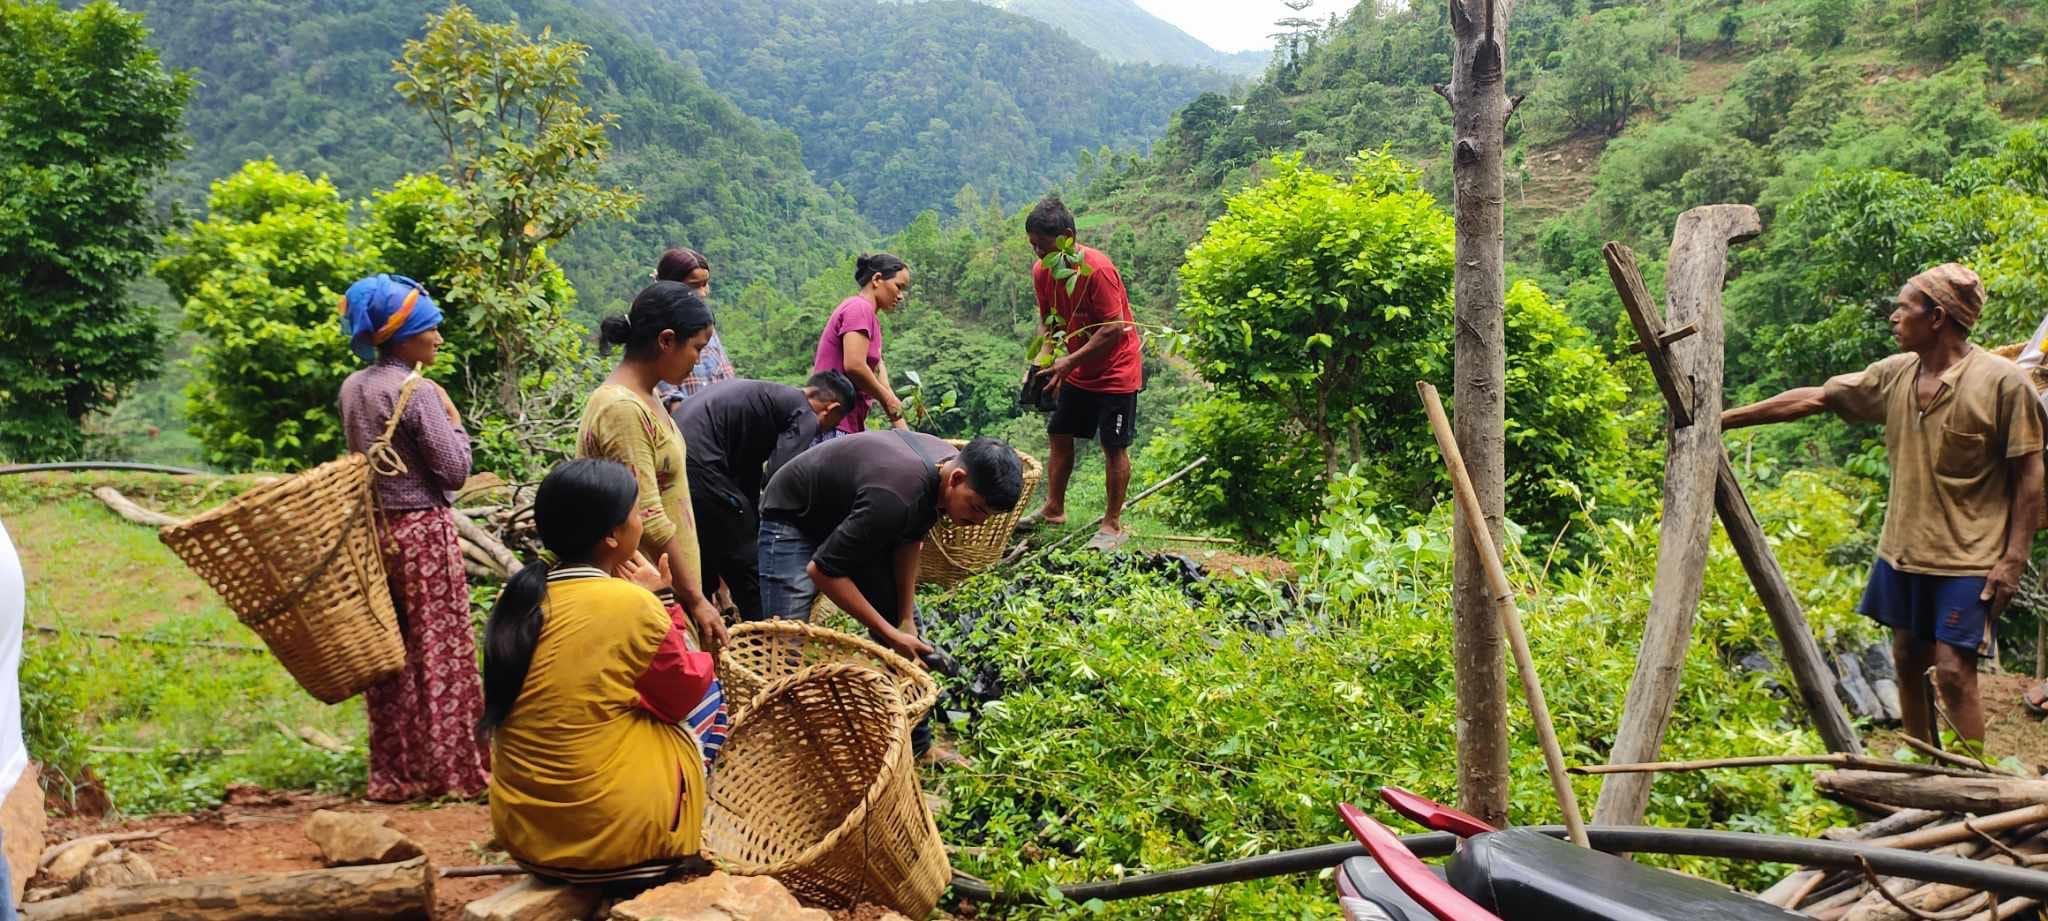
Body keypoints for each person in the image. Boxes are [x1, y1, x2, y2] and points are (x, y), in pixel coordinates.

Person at [1723, 263, 2043, 752]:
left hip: (1970, 560)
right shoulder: (1896, 375)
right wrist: (1723, 420)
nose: (1894, 316)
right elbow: (1817, 398)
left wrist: (2013, 560)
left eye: (1903, 307)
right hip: (1903, 551)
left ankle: (1971, 784)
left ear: (1936, 317)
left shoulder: (2001, 384)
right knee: (1906, 659)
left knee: (1955, 674)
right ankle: (1918, 769)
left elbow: (2029, 476)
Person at [481, 459, 717, 882]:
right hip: (621, 846)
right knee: (711, 692)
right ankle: (694, 829)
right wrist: (664, 604)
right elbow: (685, 689)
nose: (641, 519)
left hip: (528, 841)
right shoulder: (633, 604)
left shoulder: (517, 600)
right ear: (612, 535)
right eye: (635, 511)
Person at [757, 432, 1023, 759]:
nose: (977, 523)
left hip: (855, 512)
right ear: (957, 478)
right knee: (785, 640)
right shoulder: (897, 495)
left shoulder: (940, 475)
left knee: (913, 640)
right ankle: (781, 746)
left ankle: (920, 746)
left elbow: (910, 541)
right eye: (976, 508)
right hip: (796, 514)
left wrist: (905, 618)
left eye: (987, 517)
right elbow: (822, 571)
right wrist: (888, 632)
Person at [337, 274, 491, 802]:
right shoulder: (417, 391)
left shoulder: (354, 388)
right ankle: (453, 771)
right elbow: (453, 472)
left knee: (391, 657)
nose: (439, 339)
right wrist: (454, 420)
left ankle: (397, 773)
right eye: (431, 330)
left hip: (375, 531)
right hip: (423, 530)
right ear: (403, 337)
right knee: (441, 652)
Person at [578, 281, 730, 653]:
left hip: (669, 582)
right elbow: (647, 513)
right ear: (666, 340)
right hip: (646, 587)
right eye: (695, 347)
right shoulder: (623, 410)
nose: (698, 359)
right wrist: (694, 598)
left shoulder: (650, 397)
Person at [675, 372, 857, 623]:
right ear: (832, 408)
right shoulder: (804, 413)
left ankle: (702, 640)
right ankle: (762, 638)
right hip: (703, 464)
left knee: (706, 551)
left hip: (680, 459)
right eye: (836, 421)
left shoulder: (769, 400)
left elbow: (750, 474)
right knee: (748, 565)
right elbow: (780, 475)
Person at [1018, 195, 1143, 552]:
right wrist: (1043, 362)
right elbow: (1050, 321)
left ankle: (1112, 524)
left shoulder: (1098, 270)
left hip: (1115, 370)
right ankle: (1054, 508)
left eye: (1042, 246)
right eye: (1033, 247)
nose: (1038, 255)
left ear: (1068, 238)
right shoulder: (1043, 272)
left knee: (1113, 445)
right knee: (1059, 433)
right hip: (1075, 368)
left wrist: (1068, 362)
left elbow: (1114, 327)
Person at [813, 253, 913, 438]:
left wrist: (910, 439)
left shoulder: (871, 321)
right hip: (832, 421)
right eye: (898, 287)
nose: (901, 297)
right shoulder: (859, 308)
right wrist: (887, 398)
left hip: (847, 424)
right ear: (877, 279)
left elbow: (883, 385)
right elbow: (854, 365)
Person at [651, 248, 737, 413]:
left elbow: (725, 375)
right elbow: (670, 400)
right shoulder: (657, 332)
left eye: (705, 284)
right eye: (695, 285)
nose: (703, 293)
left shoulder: (702, 321)